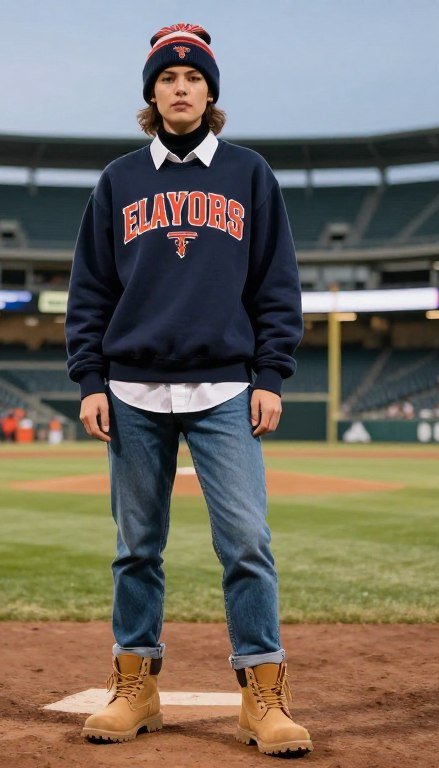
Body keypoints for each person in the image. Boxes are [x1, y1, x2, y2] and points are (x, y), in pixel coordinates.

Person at [64, 23, 310, 756]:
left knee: (246, 543)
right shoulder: (119, 180)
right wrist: (89, 379)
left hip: (226, 388)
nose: (180, 87)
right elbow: (90, 288)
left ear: (211, 92)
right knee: (136, 547)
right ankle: (136, 687)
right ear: (151, 94)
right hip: (132, 389)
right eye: (168, 79)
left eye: (194, 78)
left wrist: (271, 374)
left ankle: (261, 695)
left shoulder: (248, 174)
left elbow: (277, 283)